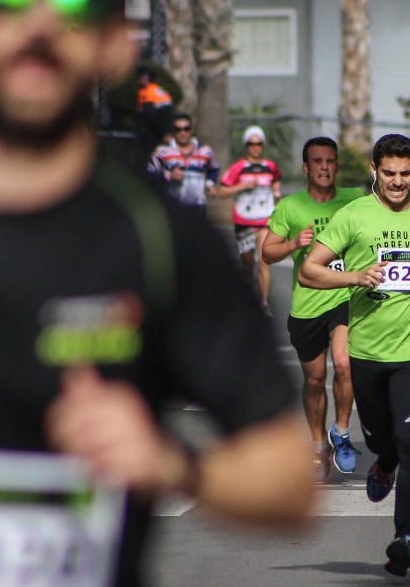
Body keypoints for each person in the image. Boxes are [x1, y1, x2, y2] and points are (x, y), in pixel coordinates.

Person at [0, 0, 315, 587]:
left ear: (115, 47)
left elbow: (288, 478)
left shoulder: (157, 237)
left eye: (78, 5)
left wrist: (170, 460)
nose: (41, 25)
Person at [299, 133, 410, 578]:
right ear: (374, 171)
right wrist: (356, 276)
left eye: (405, 174)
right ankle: (384, 461)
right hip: (367, 353)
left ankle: (405, 538)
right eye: (389, 173)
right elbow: (310, 270)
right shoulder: (353, 216)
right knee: (380, 440)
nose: (397, 183)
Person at [262, 137, 365, 480]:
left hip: (344, 297)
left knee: (344, 363)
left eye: (331, 161)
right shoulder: (291, 208)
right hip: (307, 304)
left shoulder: (354, 200)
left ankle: (342, 432)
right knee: (315, 379)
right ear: (306, 168)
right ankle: (318, 445)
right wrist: (294, 243)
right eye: (318, 161)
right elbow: (267, 253)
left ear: (337, 166)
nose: (324, 167)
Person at [215, 125, 282, 314]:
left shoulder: (270, 167)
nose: (256, 147)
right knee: (248, 265)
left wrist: (276, 193)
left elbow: (276, 181)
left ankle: (262, 304)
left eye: (259, 144)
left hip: (265, 219)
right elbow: (222, 191)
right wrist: (241, 187)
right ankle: (246, 296)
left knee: (263, 260)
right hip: (244, 219)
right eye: (252, 144)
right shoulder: (239, 168)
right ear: (246, 146)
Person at [147, 112, 218, 216]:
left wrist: (209, 184)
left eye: (186, 129)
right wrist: (169, 175)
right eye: (178, 129)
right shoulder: (162, 151)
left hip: (197, 207)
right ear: (173, 131)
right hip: (172, 208)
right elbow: (149, 175)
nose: (182, 133)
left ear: (192, 130)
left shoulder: (205, 151)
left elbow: (214, 169)